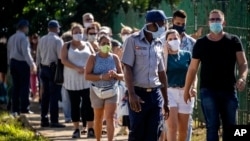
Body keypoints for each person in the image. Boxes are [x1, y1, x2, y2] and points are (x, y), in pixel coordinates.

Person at [183, 9, 248, 141]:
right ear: (208, 23)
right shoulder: (201, 43)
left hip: (229, 90)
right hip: (208, 91)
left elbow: (243, 63)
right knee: (212, 126)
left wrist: (242, 77)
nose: (215, 22)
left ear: (224, 23)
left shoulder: (233, 41)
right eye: (212, 19)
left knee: (231, 127)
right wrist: (187, 89)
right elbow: (193, 68)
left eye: (218, 19)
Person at [121, 9, 169, 141]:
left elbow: (161, 73)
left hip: (155, 95)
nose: (165, 26)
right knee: (137, 133)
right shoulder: (133, 40)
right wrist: (131, 94)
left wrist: (166, 101)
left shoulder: (158, 43)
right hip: (138, 95)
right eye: (162, 23)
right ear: (152, 24)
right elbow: (127, 68)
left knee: (154, 133)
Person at [85, 35, 124, 141]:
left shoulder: (115, 58)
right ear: (99, 44)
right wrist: (102, 77)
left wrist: (115, 75)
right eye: (103, 43)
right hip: (96, 91)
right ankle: (98, 139)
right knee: (98, 118)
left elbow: (122, 75)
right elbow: (87, 75)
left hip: (112, 91)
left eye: (108, 43)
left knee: (110, 117)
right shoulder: (93, 57)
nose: (106, 45)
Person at [61, 22, 95, 138]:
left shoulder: (87, 44)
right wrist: (76, 67)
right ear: (72, 33)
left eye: (80, 32)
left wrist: (88, 68)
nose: (78, 34)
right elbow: (63, 60)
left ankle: (90, 128)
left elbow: (94, 57)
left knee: (89, 104)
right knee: (74, 105)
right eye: (76, 32)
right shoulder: (66, 45)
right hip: (72, 81)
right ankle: (76, 129)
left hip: (87, 80)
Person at [164, 29, 197, 141]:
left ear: (180, 39)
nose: (173, 41)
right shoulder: (163, 56)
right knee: (172, 127)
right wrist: (165, 53)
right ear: (166, 42)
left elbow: (193, 74)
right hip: (169, 93)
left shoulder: (187, 55)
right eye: (170, 39)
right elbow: (162, 72)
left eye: (175, 38)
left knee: (183, 129)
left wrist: (194, 88)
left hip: (185, 92)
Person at [36, 20, 65, 128]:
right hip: (54, 70)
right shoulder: (58, 40)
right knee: (54, 95)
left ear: (48, 28)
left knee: (45, 96)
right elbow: (60, 57)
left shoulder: (42, 39)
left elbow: (38, 56)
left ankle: (44, 120)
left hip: (43, 69)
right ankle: (54, 120)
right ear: (57, 28)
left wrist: (39, 68)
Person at [7, 20, 37, 116]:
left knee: (16, 87)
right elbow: (26, 52)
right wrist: (32, 64)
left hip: (13, 63)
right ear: (24, 27)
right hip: (22, 63)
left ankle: (14, 109)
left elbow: (8, 52)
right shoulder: (23, 38)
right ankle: (24, 108)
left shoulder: (11, 38)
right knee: (24, 86)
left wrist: (9, 63)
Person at [60, 30, 72, 123]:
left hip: (65, 76)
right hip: (75, 76)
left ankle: (68, 117)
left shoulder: (61, 48)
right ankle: (73, 116)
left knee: (66, 98)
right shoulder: (74, 48)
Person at [29, 33, 39, 101]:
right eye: (33, 38)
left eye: (35, 38)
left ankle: (36, 94)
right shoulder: (30, 46)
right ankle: (34, 93)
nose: (34, 40)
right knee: (32, 80)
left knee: (38, 80)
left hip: (38, 64)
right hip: (32, 64)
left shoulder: (39, 46)